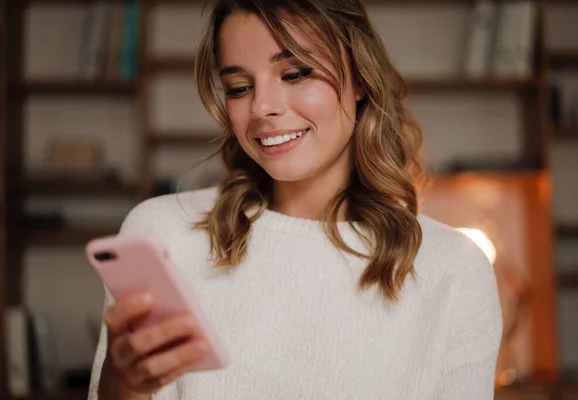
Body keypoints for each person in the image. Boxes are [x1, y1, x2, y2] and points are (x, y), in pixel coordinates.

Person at [88, 0, 502, 399]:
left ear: (359, 76)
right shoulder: (163, 234)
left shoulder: (453, 269)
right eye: (239, 87)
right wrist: (121, 390)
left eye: (295, 74)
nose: (262, 107)